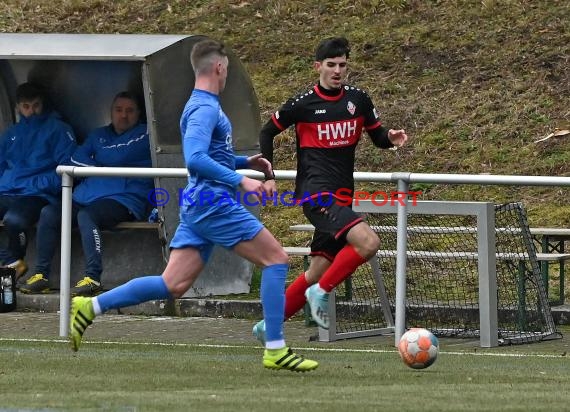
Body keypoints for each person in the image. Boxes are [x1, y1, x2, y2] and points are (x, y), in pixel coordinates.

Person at [68, 39, 318, 372]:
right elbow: (196, 159)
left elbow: (210, 154)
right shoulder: (204, 108)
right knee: (276, 259)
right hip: (213, 203)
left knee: (173, 284)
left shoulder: (203, 105)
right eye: (226, 68)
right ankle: (274, 348)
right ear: (219, 67)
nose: (226, 73)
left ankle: (91, 306)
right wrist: (240, 180)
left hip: (201, 204)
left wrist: (245, 162)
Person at [253, 37, 408, 341]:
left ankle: (268, 326)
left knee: (318, 270)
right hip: (316, 193)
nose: (338, 70)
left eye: (342, 65)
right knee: (369, 243)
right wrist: (268, 173)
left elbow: (376, 137)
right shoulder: (303, 104)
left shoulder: (359, 100)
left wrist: (390, 137)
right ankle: (320, 295)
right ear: (318, 67)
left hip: (342, 196)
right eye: (331, 65)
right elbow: (267, 131)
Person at [19, 91, 153, 296]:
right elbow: (74, 160)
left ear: (139, 114)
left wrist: (98, 158)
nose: (123, 115)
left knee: (87, 215)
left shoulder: (145, 133)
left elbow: (118, 156)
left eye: (129, 111)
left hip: (124, 198)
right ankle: (41, 275)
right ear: (111, 112)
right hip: (85, 196)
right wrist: (102, 161)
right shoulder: (98, 134)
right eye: (118, 110)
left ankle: (93, 277)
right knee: (50, 213)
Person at [0, 82, 77, 281]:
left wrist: (37, 185)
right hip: (8, 191)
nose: (31, 111)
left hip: (38, 194)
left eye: (35, 105)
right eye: (26, 107)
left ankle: (14, 261)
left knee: (13, 220)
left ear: (43, 103)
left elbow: (67, 170)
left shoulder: (59, 129)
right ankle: (12, 262)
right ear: (17, 107)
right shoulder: (12, 133)